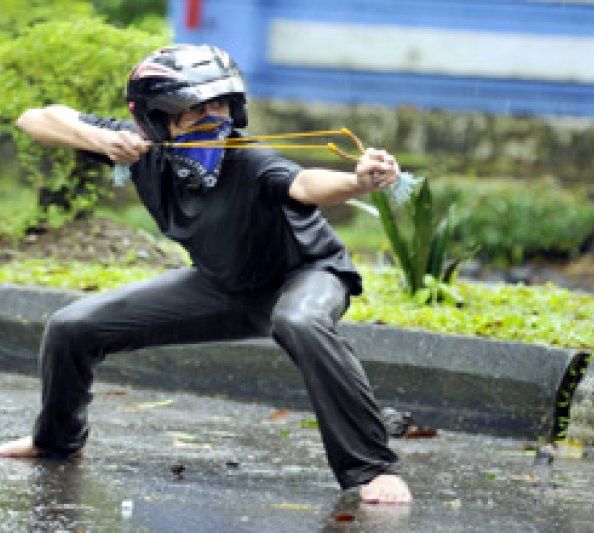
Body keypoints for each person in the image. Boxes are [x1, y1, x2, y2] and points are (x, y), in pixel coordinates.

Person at [0, 44, 411, 504]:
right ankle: (55, 442)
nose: (214, 117)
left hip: (306, 275)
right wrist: (100, 141)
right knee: (70, 327)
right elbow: (35, 119)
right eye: (195, 109)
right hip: (223, 284)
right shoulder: (140, 149)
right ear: (154, 118)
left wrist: (358, 181)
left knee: (301, 321)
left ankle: (374, 469)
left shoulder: (250, 161)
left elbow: (305, 184)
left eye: (221, 104)